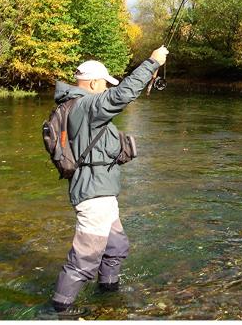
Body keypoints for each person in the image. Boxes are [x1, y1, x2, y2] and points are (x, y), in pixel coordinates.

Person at [49, 46, 169, 317]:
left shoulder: (78, 107)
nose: (106, 89)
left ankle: (108, 294)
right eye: (104, 84)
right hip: (94, 196)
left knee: (116, 247)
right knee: (85, 258)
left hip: (100, 191)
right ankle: (59, 309)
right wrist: (152, 62)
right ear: (93, 83)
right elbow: (122, 94)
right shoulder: (86, 106)